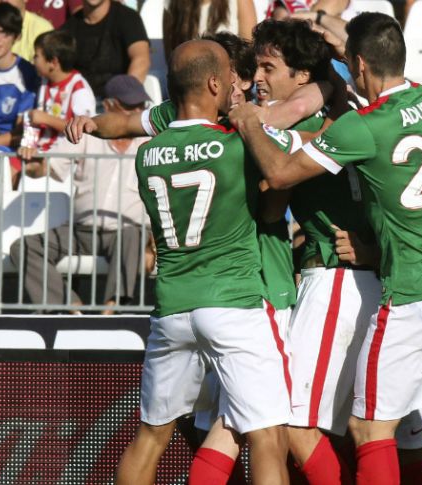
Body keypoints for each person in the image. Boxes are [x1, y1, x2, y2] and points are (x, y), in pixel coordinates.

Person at [229, 12, 422, 485]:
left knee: (369, 429)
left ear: (361, 66)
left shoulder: (362, 127)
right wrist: (326, 27)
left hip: (414, 294)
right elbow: (368, 46)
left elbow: (281, 175)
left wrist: (248, 121)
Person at [115, 39, 293, 485]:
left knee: (151, 437)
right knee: (267, 437)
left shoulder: (146, 155)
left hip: (173, 307)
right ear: (216, 82)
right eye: (229, 76)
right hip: (232, 302)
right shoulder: (236, 143)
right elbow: (274, 200)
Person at [9, 74, 150, 315]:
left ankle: (110, 312)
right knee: (23, 247)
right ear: (107, 106)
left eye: (140, 106)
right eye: (128, 106)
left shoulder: (153, 140)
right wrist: (29, 162)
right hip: (81, 229)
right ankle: (71, 307)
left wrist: (153, 245)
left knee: (132, 235)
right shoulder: (84, 134)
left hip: (128, 232)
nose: (136, 111)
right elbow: (46, 168)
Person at [18, 30, 97, 177]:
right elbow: (35, 121)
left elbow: (84, 131)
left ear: (53, 62)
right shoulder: (44, 83)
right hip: (39, 152)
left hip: (62, 160)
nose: (33, 60)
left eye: (36, 56)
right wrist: (28, 145)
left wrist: (47, 119)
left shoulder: (79, 88)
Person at [61, 0, 150, 100]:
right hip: (80, 103)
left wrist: (123, 99)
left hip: (119, 103)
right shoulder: (68, 28)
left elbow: (141, 59)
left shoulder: (128, 17)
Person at [0, 2, 40, 148]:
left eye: (4, 33)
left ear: (17, 37)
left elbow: (22, 132)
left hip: (6, 152)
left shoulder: (27, 74)